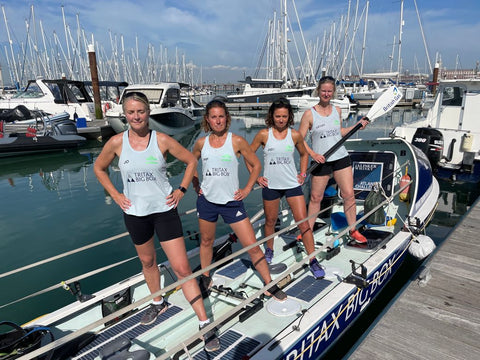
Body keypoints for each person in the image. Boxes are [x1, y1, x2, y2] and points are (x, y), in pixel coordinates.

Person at [93, 91, 220, 352]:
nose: (136, 116)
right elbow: (99, 168)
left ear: (148, 112)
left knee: (183, 269)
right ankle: (156, 302)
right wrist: (115, 195)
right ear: (124, 114)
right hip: (135, 214)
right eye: (131, 112)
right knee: (148, 262)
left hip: (164, 212)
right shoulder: (117, 143)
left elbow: (191, 160)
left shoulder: (161, 139)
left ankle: (205, 324)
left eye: (140, 111)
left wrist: (182, 190)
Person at [191, 99, 287, 301]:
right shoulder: (201, 143)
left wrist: (247, 188)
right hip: (207, 201)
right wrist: (195, 186)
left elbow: (256, 165)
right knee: (206, 241)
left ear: (227, 118)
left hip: (232, 202)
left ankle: (269, 283)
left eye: (221, 116)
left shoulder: (236, 141)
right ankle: (205, 277)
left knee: (252, 245)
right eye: (213, 117)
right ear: (207, 120)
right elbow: (191, 165)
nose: (218, 121)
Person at [249, 98, 325, 278]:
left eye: (284, 116)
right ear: (272, 116)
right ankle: (269, 250)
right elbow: (248, 155)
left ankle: (312, 259)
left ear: (289, 116)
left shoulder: (295, 135)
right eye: (277, 116)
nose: (281, 119)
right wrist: (256, 177)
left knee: (303, 223)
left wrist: (303, 174)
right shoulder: (263, 135)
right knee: (270, 221)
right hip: (271, 186)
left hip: (292, 184)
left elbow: (304, 154)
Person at [298, 76, 369, 244]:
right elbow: (299, 140)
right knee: (315, 198)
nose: (326, 93)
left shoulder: (337, 110)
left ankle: (353, 230)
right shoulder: (309, 114)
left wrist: (358, 125)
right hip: (320, 161)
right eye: (323, 90)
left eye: (329, 91)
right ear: (318, 91)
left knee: (349, 195)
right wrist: (313, 154)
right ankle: (307, 231)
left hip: (340, 157)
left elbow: (340, 133)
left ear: (333, 92)